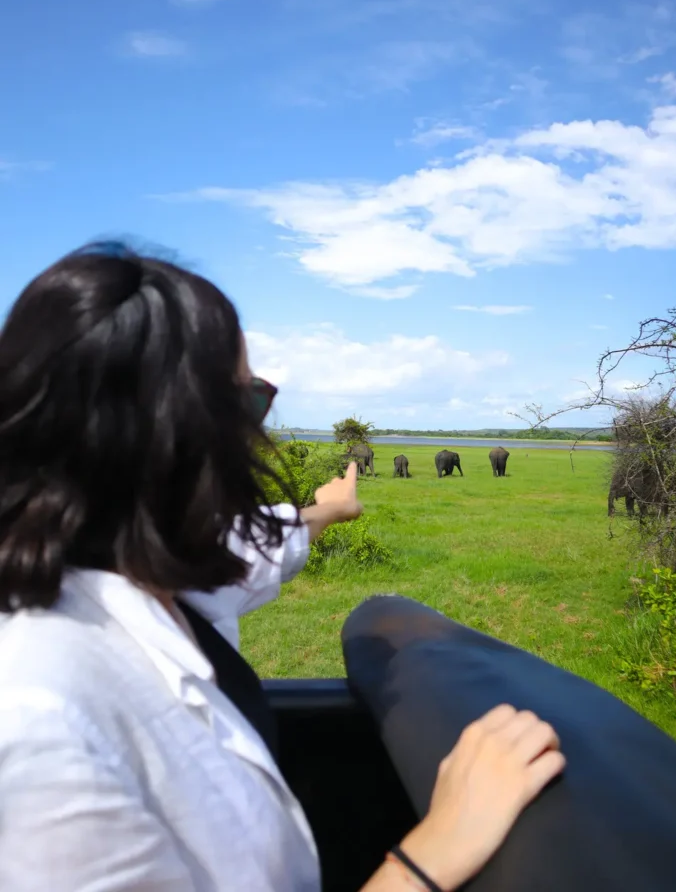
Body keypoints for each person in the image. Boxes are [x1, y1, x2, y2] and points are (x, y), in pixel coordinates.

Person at [0, 243, 565, 892]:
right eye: (251, 401)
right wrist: (430, 856)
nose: (257, 432)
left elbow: (250, 553)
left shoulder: (134, 573)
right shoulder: (36, 723)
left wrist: (325, 510)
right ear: (178, 431)